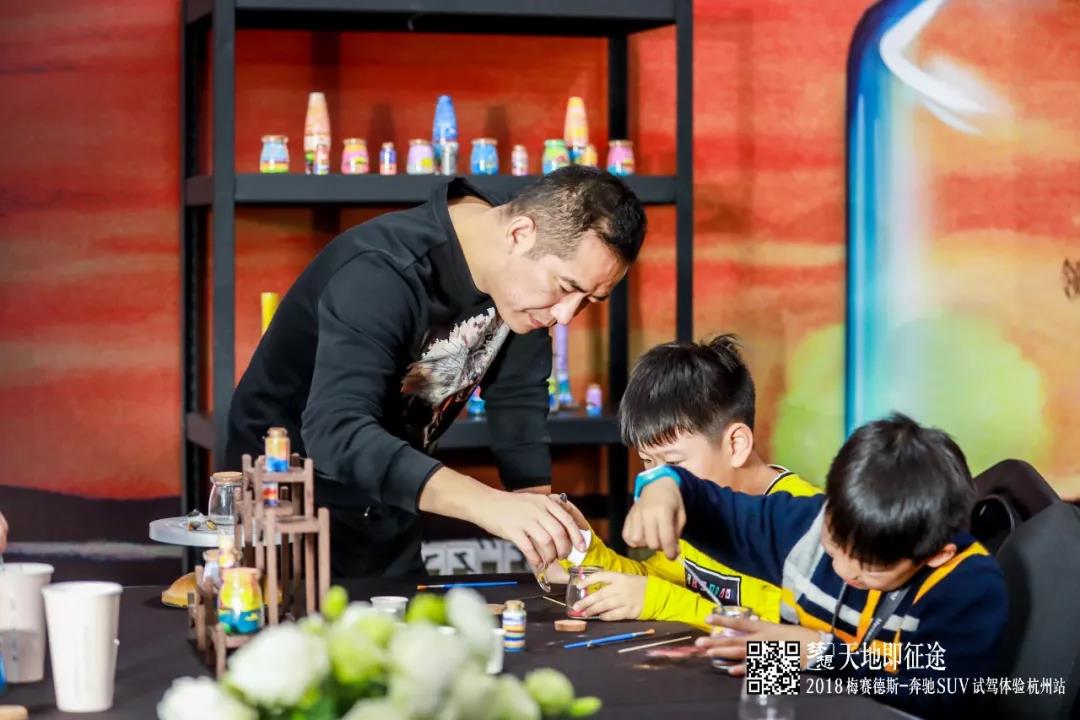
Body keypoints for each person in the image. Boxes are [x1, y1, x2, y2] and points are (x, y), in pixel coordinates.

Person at [226, 167, 647, 577]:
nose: (566, 315)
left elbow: (517, 393)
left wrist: (543, 525)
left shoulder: (523, 282)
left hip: (393, 498)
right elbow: (335, 431)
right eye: (567, 287)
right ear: (520, 234)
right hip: (285, 510)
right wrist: (487, 505)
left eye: (590, 300)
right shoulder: (383, 271)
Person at [624, 414, 1007, 717]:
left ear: (936, 554)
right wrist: (664, 485)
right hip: (794, 704)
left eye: (870, 568)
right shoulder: (807, 525)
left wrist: (821, 653)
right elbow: (713, 508)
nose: (843, 570)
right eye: (833, 543)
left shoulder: (969, 586)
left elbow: (939, 692)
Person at [555, 335, 819, 628]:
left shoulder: (807, 527)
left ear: (736, 444)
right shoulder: (692, 507)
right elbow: (654, 584)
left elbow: (793, 642)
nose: (654, 480)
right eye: (647, 461)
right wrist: (579, 547)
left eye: (673, 464)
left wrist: (664, 602)